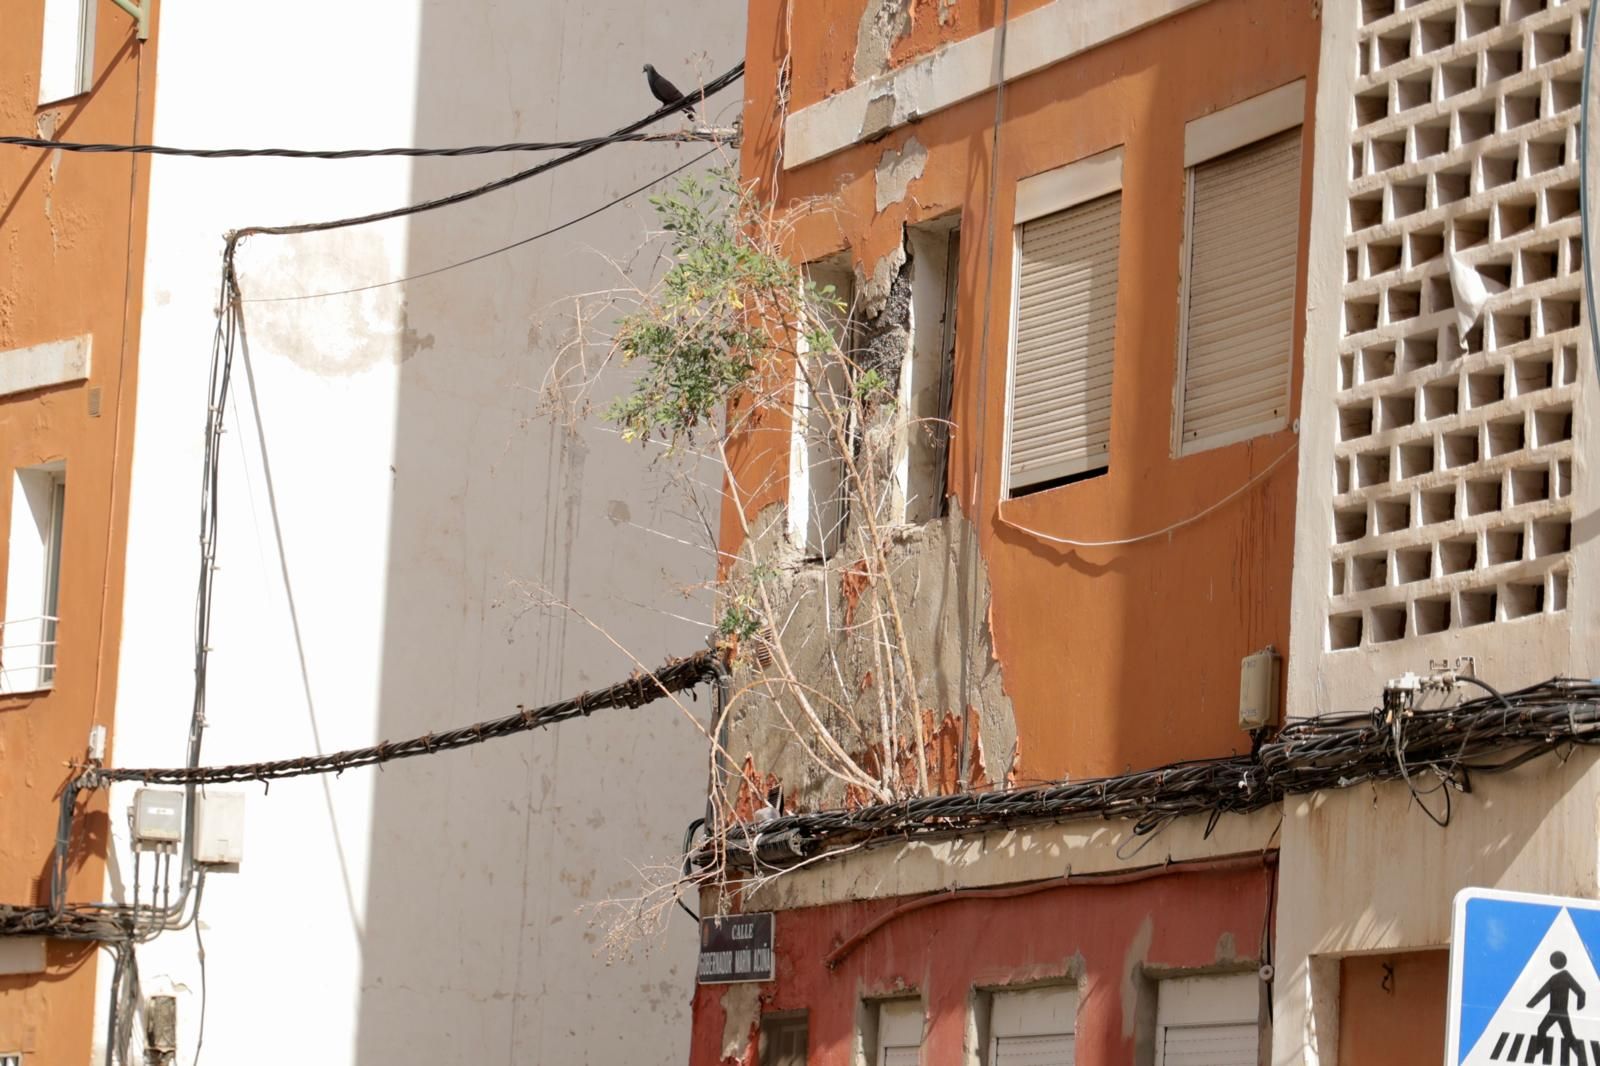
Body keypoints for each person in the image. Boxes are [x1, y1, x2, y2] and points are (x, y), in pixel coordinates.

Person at [1529, 951, 1586, 1051]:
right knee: (1543, 1029)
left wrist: (1580, 1005)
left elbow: (1580, 991)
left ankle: (1578, 1051)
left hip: (1560, 1011)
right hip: (1554, 1011)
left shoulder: (1564, 976)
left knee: (1562, 1033)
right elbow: (1543, 992)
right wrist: (1531, 1004)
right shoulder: (1555, 978)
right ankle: (1539, 1046)